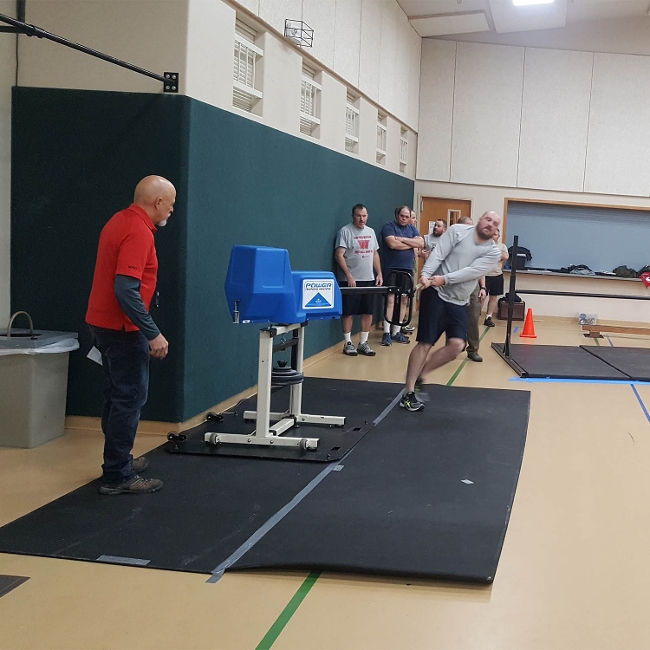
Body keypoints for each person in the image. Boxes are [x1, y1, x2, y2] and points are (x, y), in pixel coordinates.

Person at [86, 175, 176, 495]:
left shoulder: (119, 220)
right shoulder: (139, 232)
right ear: (158, 203)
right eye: (171, 204)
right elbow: (126, 289)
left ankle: (117, 460)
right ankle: (117, 475)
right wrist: (152, 333)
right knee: (129, 398)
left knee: (116, 394)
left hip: (102, 323)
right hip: (123, 328)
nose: (171, 211)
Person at [399, 211, 502, 412]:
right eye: (488, 219)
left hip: (459, 301)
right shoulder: (457, 231)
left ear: (496, 229)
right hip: (435, 294)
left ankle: (421, 375)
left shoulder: (493, 252)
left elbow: (471, 272)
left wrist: (444, 279)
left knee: (456, 346)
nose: (490, 224)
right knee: (426, 342)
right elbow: (438, 253)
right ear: (481, 219)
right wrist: (426, 274)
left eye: (495, 223)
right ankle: (408, 392)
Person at [335, 204, 382, 356]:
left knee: (367, 311)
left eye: (364, 216)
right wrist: (348, 275)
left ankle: (363, 343)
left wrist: (379, 273)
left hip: (368, 278)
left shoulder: (371, 232)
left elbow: (374, 254)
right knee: (348, 312)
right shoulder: (345, 231)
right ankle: (348, 343)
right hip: (351, 280)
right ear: (353, 216)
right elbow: (339, 254)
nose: (362, 219)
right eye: (359, 216)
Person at [380, 206, 424, 346]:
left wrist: (401, 239)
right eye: (402, 216)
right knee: (391, 300)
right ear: (397, 215)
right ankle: (386, 332)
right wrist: (410, 244)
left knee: (404, 299)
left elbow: (421, 243)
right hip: (391, 269)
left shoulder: (412, 228)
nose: (404, 219)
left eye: (407, 216)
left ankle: (396, 332)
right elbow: (392, 244)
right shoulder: (388, 227)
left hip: (407, 270)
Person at [457, 216, 484, 362]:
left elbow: (481, 268)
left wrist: (483, 287)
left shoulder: (478, 245)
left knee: (474, 315)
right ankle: (455, 344)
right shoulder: (452, 243)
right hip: (455, 283)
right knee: (455, 315)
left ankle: (473, 349)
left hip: (473, 284)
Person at [483, 228, 509, 327]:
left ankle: (488, 317)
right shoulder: (484, 245)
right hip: (485, 275)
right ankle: (476, 316)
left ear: (498, 236)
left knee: (493, 297)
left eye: (496, 235)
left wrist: (496, 253)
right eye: (492, 234)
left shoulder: (502, 246)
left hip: (497, 275)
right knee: (481, 297)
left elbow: (506, 257)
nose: (494, 236)